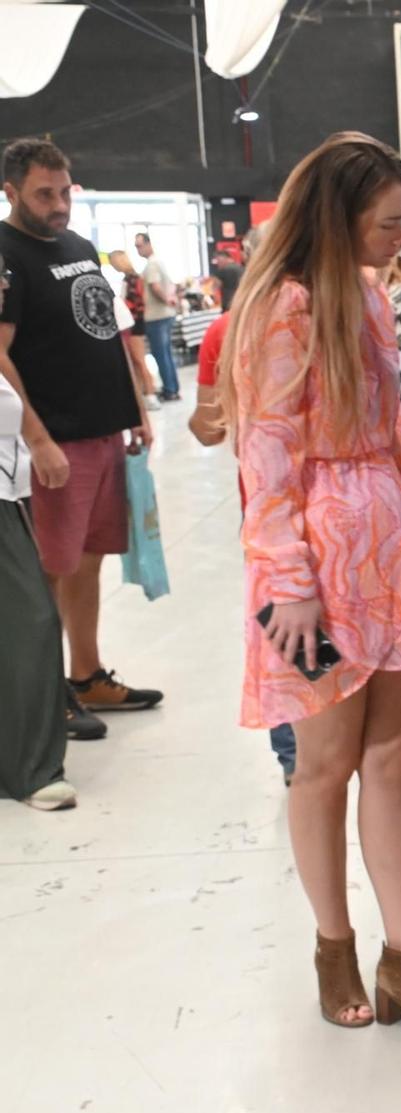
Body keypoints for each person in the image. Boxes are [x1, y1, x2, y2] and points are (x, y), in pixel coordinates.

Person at [218, 131, 401, 1039]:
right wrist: (287, 581)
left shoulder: (368, 294)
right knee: (322, 768)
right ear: (341, 212)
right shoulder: (282, 305)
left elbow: (395, 436)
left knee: (395, 762)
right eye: (389, 222)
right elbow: (266, 452)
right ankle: (334, 945)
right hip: (314, 565)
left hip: (387, 550)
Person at [0, 138, 163, 724]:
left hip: (103, 431)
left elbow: (105, 329)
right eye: (45, 194)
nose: (59, 204)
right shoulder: (5, 254)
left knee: (89, 559)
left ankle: (86, 675)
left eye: (64, 190)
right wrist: (37, 439)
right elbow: (1, 354)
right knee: (48, 568)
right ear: (11, 191)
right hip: (54, 440)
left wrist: (137, 408)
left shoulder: (79, 244)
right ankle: (45, 697)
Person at [191, 223, 297, 784]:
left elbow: (206, 430)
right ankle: (309, 745)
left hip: (265, 510)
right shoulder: (322, 315)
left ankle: (295, 753)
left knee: (284, 626)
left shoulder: (226, 331)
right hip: (314, 507)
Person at [0, 257, 74, 811]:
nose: (5, 285)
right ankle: (31, 766)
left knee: (30, 620)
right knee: (33, 620)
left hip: (9, 497)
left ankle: (28, 761)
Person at [133, 231, 183, 401]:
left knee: (161, 354)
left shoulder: (152, 264)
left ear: (148, 243)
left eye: (140, 245)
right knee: (166, 353)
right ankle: (172, 387)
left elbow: (155, 286)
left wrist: (167, 299)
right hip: (164, 315)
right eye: (136, 247)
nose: (138, 250)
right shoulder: (158, 262)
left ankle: (170, 389)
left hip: (157, 316)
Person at [107, 248, 158, 404]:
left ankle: (150, 394)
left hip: (134, 323)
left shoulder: (132, 279)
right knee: (135, 361)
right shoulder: (129, 278)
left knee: (139, 360)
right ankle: (142, 394)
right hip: (132, 322)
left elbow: (136, 303)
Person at [211, 244, 244, 310]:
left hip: (228, 305)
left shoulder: (222, 271)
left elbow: (214, 288)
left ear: (223, 258)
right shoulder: (241, 268)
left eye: (218, 260)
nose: (217, 263)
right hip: (241, 304)